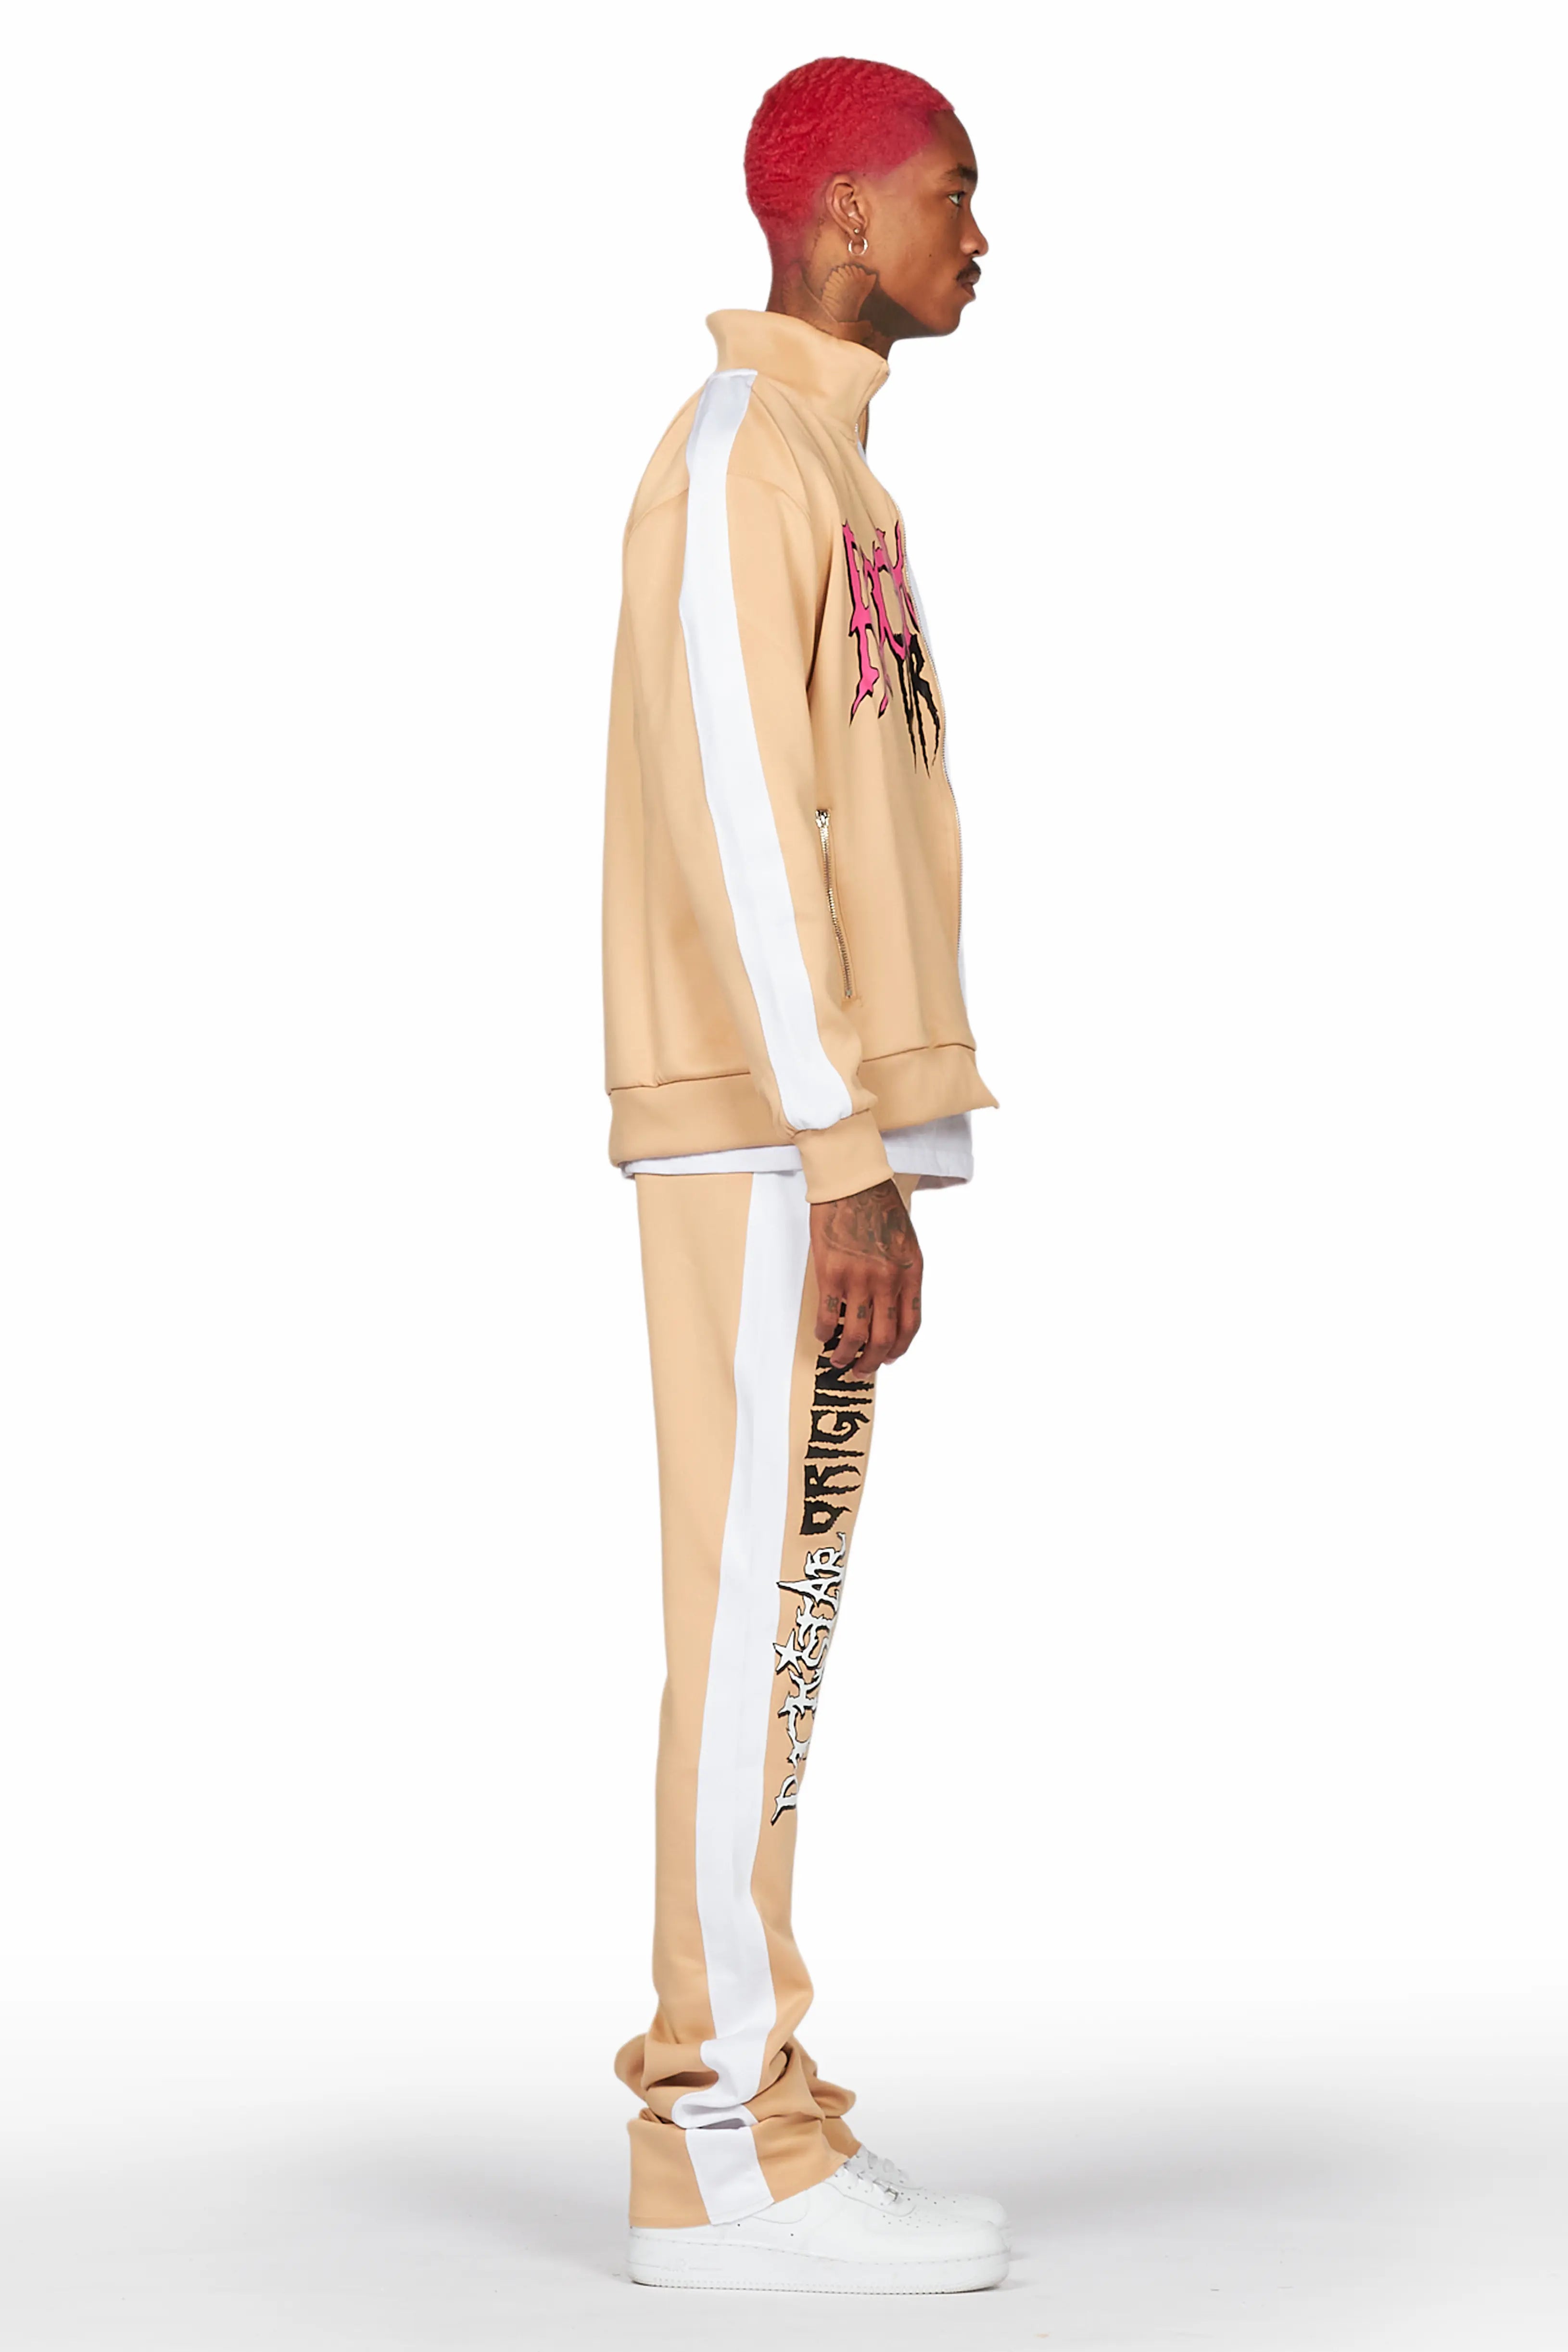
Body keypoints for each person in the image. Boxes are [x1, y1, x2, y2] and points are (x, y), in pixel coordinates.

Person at [602, 55, 1004, 2294]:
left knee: (785, 1622)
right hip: (766, 1134)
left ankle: (765, 2108)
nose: (979, 235)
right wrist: (841, 1151)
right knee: (747, 1615)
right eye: (951, 192)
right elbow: (743, 823)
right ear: (840, 214)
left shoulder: (833, 469)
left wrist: (880, 1143)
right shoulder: (737, 458)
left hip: (813, 1129)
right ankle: (713, 2152)